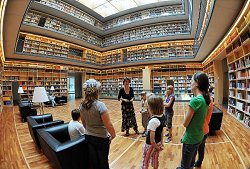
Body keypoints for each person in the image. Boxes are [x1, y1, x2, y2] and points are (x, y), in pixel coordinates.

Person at [176, 72, 210, 169]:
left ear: (196, 83)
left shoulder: (195, 101)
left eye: (191, 82)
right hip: (199, 136)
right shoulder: (205, 99)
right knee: (191, 160)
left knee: (185, 165)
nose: (190, 84)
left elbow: (185, 123)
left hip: (190, 139)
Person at [80, 79, 116, 169]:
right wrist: (113, 135)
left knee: (94, 161)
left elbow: (83, 122)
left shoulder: (82, 105)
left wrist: (89, 129)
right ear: (96, 92)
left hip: (88, 136)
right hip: (101, 139)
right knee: (103, 161)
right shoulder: (100, 105)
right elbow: (108, 124)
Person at [141, 95, 165, 169]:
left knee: (146, 161)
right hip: (158, 143)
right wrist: (161, 143)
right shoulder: (162, 116)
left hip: (151, 145)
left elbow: (152, 140)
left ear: (152, 108)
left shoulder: (153, 121)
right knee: (155, 159)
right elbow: (161, 132)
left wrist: (156, 147)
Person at [193, 86, 214, 167]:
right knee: (201, 148)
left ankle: (195, 163)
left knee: (195, 149)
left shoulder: (202, 100)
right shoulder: (209, 99)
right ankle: (199, 162)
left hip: (199, 129)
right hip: (205, 128)